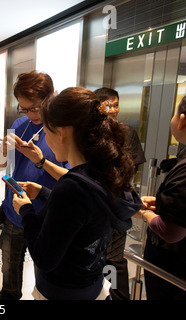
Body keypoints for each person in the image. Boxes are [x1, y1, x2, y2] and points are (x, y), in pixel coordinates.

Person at [12, 87, 142, 300]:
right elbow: (80, 214)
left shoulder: (72, 188)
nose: (45, 136)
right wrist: (45, 193)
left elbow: (44, 257)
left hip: (60, 292)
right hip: (92, 286)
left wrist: (25, 210)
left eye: (46, 130)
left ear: (61, 133)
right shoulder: (102, 172)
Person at [0, 71, 69, 300]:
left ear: (52, 97)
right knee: (9, 271)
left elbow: (72, 179)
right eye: (24, 108)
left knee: (44, 276)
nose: (31, 114)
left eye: (35, 108)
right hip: (14, 212)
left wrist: (41, 161)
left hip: (47, 218)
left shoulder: (64, 131)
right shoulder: (20, 124)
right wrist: (4, 150)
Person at [94, 87, 146, 300]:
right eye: (108, 105)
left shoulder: (126, 132)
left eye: (116, 104)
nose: (113, 109)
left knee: (114, 261)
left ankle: (116, 296)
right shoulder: (91, 133)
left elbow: (130, 169)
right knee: (93, 256)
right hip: (95, 204)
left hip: (116, 205)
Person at [136, 96, 186, 300]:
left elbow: (171, 231)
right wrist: (162, 206)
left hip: (174, 269)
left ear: (182, 120)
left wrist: (145, 213)